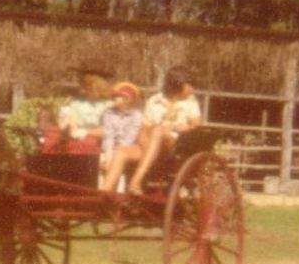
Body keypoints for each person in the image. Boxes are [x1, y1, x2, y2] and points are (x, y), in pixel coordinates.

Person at [126, 67, 201, 195]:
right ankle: (104, 199)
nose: (192, 89)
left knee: (158, 130)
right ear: (178, 84)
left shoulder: (190, 101)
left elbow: (196, 127)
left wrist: (174, 128)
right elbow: (144, 128)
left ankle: (136, 180)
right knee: (121, 151)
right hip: (152, 145)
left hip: (176, 145)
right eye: (190, 85)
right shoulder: (154, 101)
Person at [99, 82, 144, 192]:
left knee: (118, 161)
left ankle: (113, 194)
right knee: (101, 162)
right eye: (113, 96)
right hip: (110, 148)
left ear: (127, 99)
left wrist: (114, 157)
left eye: (117, 97)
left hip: (127, 148)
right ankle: (100, 192)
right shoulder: (108, 113)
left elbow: (130, 138)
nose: (114, 99)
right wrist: (108, 156)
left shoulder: (137, 116)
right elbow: (108, 135)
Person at [56, 70, 112, 154]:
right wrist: (71, 127)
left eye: (90, 88)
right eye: (86, 88)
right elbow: (72, 125)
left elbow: (108, 130)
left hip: (101, 139)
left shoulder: (108, 105)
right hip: (79, 138)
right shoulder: (76, 104)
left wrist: (86, 132)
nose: (86, 90)